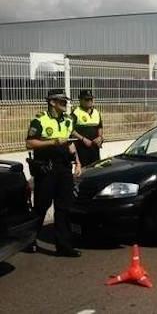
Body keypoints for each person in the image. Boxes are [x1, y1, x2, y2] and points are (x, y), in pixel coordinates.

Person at [25, 89, 82, 257]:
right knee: (41, 206)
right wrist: (53, 142)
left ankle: (64, 246)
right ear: (52, 102)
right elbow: (29, 143)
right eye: (62, 102)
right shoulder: (40, 120)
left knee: (64, 207)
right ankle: (29, 240)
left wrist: (77, 162)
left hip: (64, 169)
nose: (65, 104)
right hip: (47, 169)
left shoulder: (68, 121)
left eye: (66, 102)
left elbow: (71, 144)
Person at [71, 90, 103, 166]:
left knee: (96, 169)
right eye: (86, 99)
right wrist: (83, 139)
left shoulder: (96, 112)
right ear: (80, 100)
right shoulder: (75, 113)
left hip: (95, 149)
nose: (89, 101)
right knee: (84, 171)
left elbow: (100, 127)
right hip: (82, 149)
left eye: (91, 99)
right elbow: (70, 130)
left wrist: (100, 137)